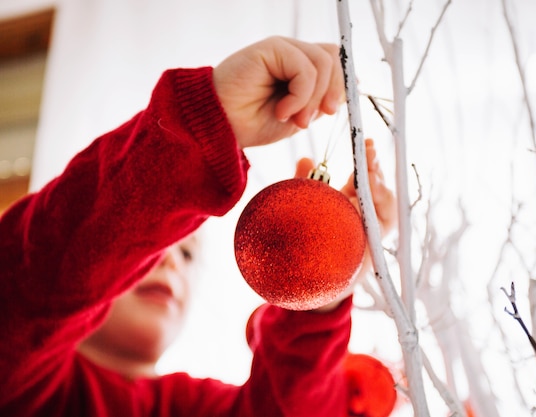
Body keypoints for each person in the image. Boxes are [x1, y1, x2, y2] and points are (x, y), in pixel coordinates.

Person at [0, 36, 397, 416]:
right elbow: (35, 276)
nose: (170, 262)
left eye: (187, 254)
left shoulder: (198, 407)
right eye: (152, 247)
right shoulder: (30, 386)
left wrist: (321, 283)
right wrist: (206, 123)